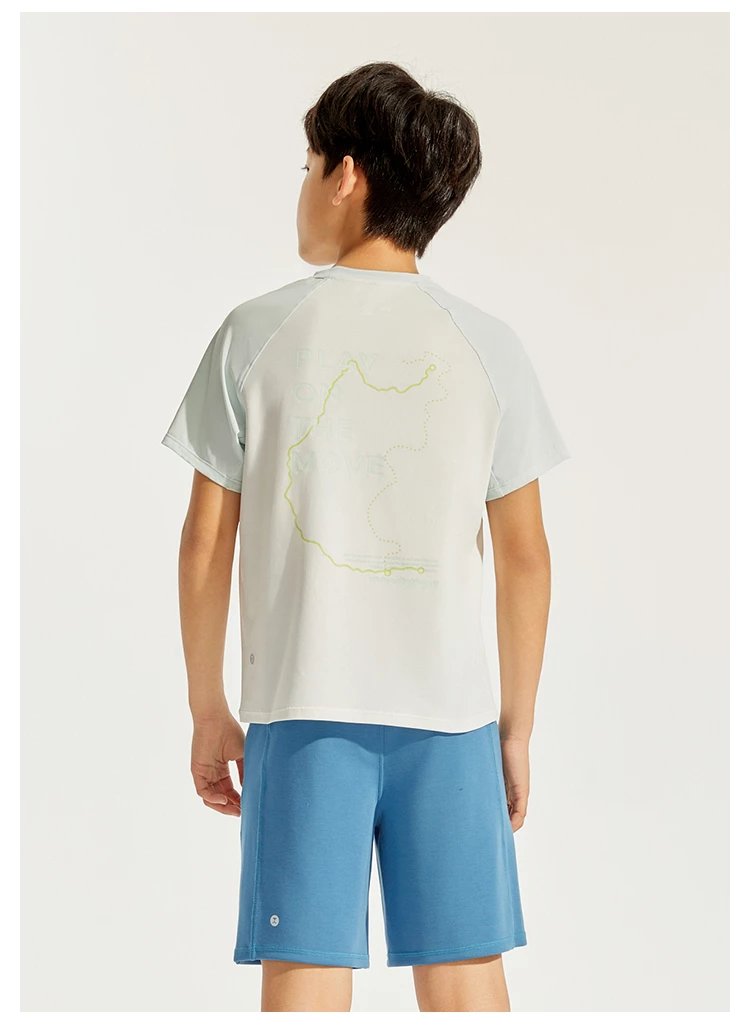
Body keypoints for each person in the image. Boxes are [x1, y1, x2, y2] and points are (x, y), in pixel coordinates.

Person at [160, 61, 571, 1013]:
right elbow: (525, 556)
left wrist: (208, 708)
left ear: (346, 174)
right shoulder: (489, 345)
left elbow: (205, 542)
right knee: (468, 979)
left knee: (305, 975)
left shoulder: (256, 333)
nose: (303, 190)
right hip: (453, 721)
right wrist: (515, 728)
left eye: (306, 166)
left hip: (302, 719)